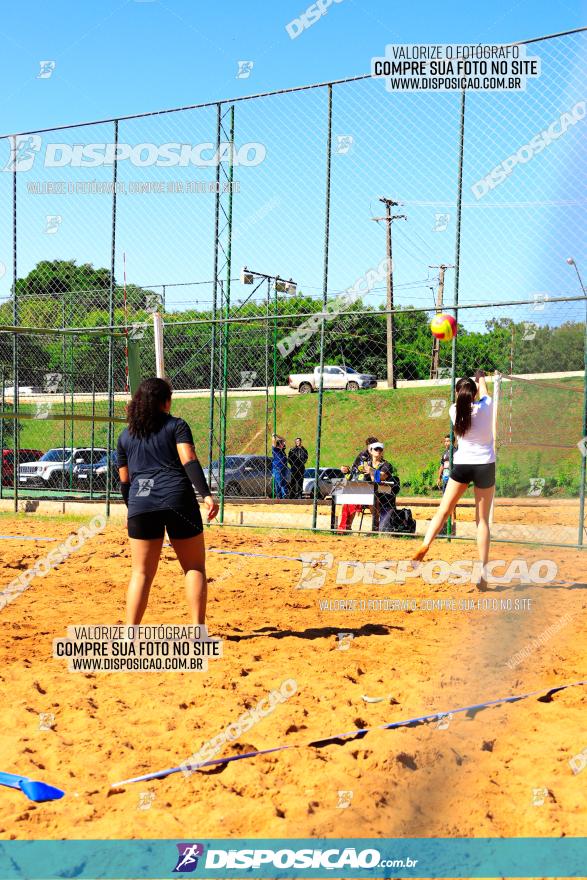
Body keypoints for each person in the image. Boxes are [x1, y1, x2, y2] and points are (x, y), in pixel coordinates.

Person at [116, 377, 219, 625]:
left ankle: (131, 634)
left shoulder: (125, 436)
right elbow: (189, 460)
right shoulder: (176, 426)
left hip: (141, 503)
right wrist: (205, 494)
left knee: (140, 573)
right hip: (178, 499)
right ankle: (197, 631)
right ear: (165, 402)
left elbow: (125, 482)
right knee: (194, 567)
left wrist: (135, 511)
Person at [412, 370, 495, 590]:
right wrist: (481, 378)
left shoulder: (453, 410)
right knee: (482, 521)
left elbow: (466, 399)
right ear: (475, 393)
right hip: (485, 465)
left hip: (463, 464)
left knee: (443, 510)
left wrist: (470, 385)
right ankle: (484, 571)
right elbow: (485, 392)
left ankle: (425, 544)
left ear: (458, 394)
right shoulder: (487, 407)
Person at [337, 436, 379, 532]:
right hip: (358, 486)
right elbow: (354, 471)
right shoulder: (362, 456)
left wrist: (371, 471)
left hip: (371, 488)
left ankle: (376, 528)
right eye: (369, 446)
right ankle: (345, 528)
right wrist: (347, 470)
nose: (371, 449)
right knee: (346, 502)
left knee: (373, 500)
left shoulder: (378, 458)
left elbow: (380, 475)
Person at [271, 433, 289, 499]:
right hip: (277, 468)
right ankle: (284, 495)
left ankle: (279, 496)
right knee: (281, 482)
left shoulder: (282, 450)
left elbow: (284, 440)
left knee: (279, 483)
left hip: (283, 468)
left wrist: (277, 435)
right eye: (282, 443)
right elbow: (273, 442)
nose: (283, 444)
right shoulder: (275, 450)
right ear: (279, 445)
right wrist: (273, 436)